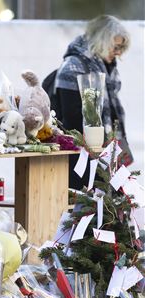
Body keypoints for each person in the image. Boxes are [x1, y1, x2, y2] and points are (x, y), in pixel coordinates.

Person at [52, 15, 131, 189]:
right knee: (84, 208)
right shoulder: (73, 66)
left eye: (121, 48)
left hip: (105, 155)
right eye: (115, 47)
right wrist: (95, 151)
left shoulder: (107, 68)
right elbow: (71, 119)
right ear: (101, 41)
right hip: (83, 157)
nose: (118, 52)